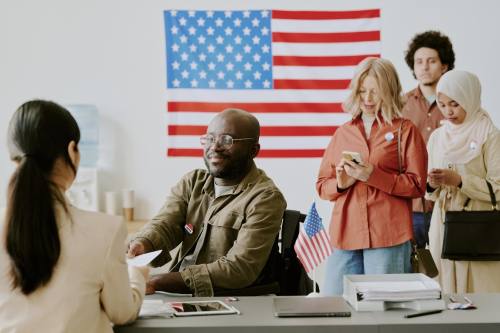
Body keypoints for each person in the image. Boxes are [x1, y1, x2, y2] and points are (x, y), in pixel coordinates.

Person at [0, 100, 148, 332]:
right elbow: (122, 312)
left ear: (13, 160)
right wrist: (137, 275)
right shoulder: (105, 230)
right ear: (72, 151)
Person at [128, 108, 286, 297]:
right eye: (210, 139)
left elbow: (240, 268)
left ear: (253, 150)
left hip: (232, 300)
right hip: (179, 293)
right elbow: (166, 224)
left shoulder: (265, 198)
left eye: (227, 140)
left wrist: (158, 281)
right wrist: (143, 243)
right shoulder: (192, 182)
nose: (215, 147)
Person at [316, 57, 428, 295]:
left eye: (375, 92)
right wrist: (341, 184)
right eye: (363, 91)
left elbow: (418, 186)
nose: (367, 99)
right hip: (345, 234)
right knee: (334, 307)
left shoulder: (405, 130)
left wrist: (373, 175)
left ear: (389, 91)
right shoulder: (342, 133)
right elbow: (322, 185)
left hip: (388, 235)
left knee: (383, 312)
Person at [426, 70, 500, 293]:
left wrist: (460, 181)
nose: (448, 111)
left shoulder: (490, 135)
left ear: (469, 98)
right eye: (442, 104)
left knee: (481, 297)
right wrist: (433, 184)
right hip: (443, 227)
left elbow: (498, 188)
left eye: (455, 104)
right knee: (445, 296)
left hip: (478, 229)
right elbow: (429, 193)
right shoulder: (437, 137)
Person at [402, 30, 456, 248]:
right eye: (419, 62)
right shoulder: (400, 105)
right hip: (409, 205)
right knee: (409, 272)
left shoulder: (458, 105)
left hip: (447, 203)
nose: (424, 67)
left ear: (444, 65)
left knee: (444, 273)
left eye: (431, 61)